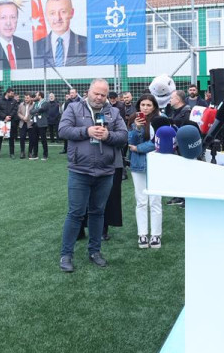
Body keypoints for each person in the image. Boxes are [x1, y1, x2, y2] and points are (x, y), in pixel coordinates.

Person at [57, 79, 127, 273]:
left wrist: (108, 136)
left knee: (98, 213)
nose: (99, 97)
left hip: (105, 172)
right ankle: (66, 255)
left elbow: (123, 136)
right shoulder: (73, 108)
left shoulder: (113, 112)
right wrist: (86, 131)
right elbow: (63, 130)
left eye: (103, 95)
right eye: (96, 93)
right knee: (75, 213)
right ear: (88, 91)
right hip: (80, 170)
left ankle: (95, 251)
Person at [127, 94, 163, 249]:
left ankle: (156, 235)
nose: (145, 108)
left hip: (156, 164)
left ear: (154, 106)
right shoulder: (133, 119)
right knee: (141, 201)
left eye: (149, 105)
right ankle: (142, 234)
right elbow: (130, 142)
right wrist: (137, 128)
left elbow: (159, 143)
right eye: (143, 105)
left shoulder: (160, 120)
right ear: (139, 106)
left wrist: (139, 148)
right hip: (137, 164)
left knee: (155, 200)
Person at [33, 0, 87, 66]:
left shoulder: (87, 44)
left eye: (63, 12)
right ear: (46, 15)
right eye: (52, 13)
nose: (58, 18)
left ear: (72, 13)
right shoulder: (35, 47)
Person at [0, 0, 32, 69]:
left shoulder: (24, 45)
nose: (8, 23)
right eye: (3, 17)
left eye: (13, 17)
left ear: (17, 19)